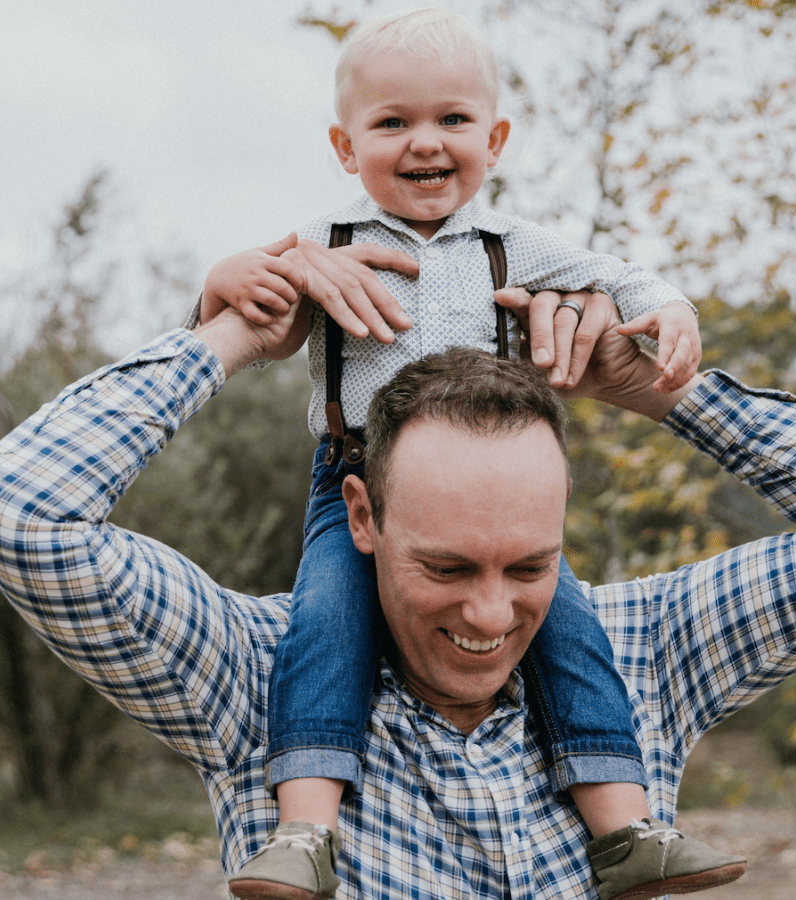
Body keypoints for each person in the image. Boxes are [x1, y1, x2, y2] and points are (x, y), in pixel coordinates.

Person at [0, 258, 796, 900]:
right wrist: (226, 341)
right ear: (361, 516)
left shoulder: (644, 650)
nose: (491, 614)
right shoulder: (249, 674)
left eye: (529, 566)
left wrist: (669, 392)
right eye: (445, 567)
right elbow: (16, 511)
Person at [194, 9, 719, 897]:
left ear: (495, 137)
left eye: (451, 121)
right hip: (358, 474)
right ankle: (303, 834)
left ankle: (624, 828)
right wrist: (218, 279)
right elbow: (237, 314)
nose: (423, 144)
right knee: (325, 624)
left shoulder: (511, 247)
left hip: (490, 490)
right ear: (344, 145)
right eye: (391, 123)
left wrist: (671, 310)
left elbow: (624, 276)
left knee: (568, 628)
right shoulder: (323, 242)